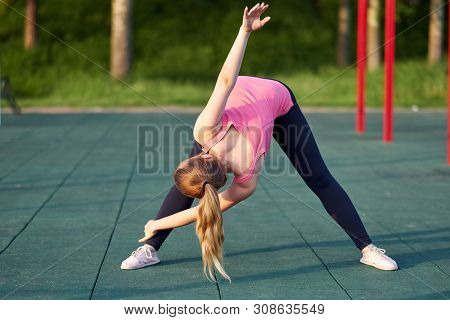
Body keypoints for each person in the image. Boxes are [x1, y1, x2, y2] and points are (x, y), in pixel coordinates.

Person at [121, 3, 398, 282]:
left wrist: (156, 222)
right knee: (193, 185)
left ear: (204, 154)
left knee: (318, 177)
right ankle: (150, 248)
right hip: (258, 107)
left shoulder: (214, 140)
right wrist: (244, 31)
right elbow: (226, 80)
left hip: (278, 98)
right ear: (204, 157)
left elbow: (227, 82)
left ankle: (367, 247)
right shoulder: (232, 164)